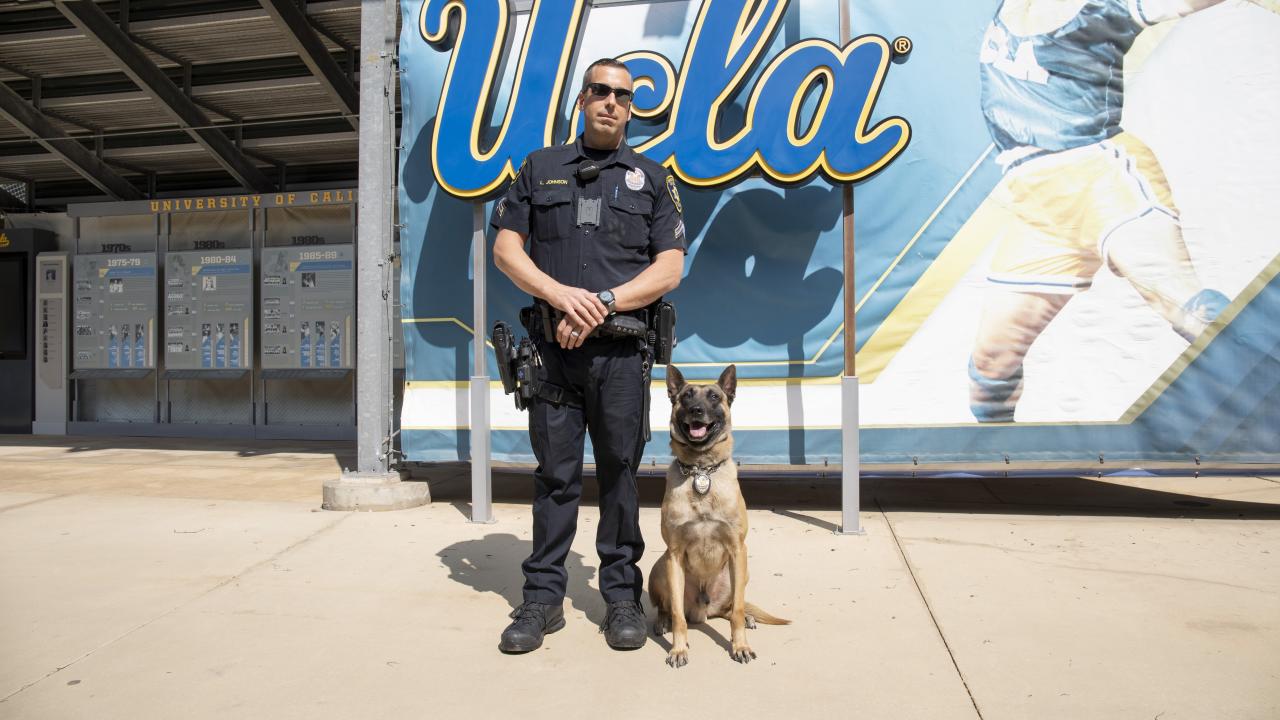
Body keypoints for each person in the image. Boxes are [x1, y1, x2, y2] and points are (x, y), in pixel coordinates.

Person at [966, 0, 1264, 422]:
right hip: (1038, 206)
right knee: (990, 367)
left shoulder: (1102, 7)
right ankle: (997, 471)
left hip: (1101, 178)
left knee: (1191, 311)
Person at [490, 58, 687, 653]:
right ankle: (543, 600)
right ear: (582, 99)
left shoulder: (652, 179)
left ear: (631, 108)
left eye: (623, 96)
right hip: (553, 356)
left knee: (622, 474)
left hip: (622, 359)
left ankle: (621, 596)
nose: (611, 103)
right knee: (555, 478)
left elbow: (670, 267)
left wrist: (599, 303)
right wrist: (558, 296)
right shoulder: (540, 168)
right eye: (600, 91)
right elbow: (505, 248)